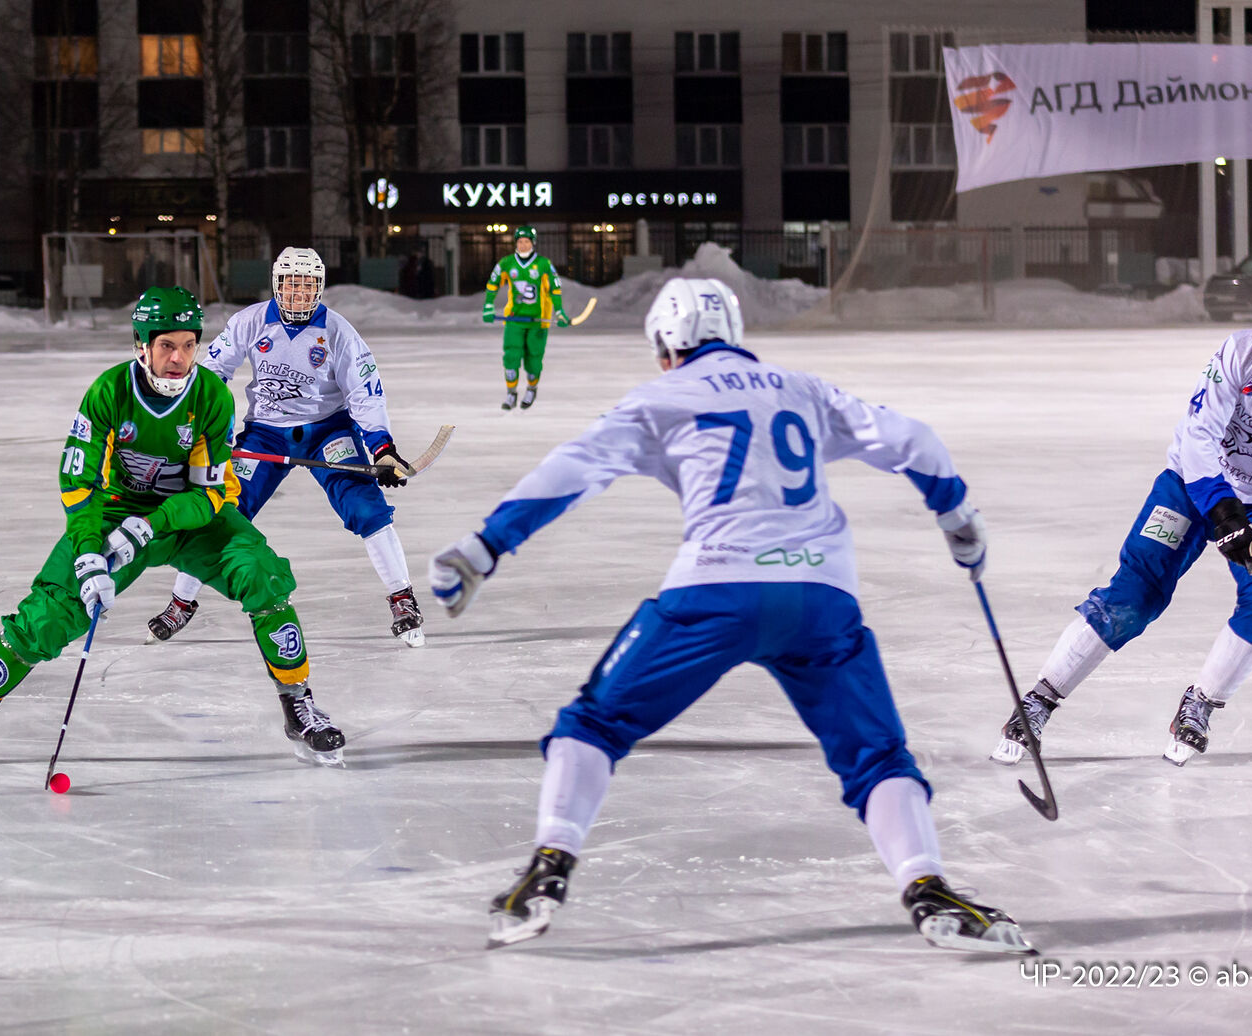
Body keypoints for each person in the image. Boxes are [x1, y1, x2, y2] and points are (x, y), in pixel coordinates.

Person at [431, 276, 1032, 954]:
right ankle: (928, 888)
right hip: (821, 595)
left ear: (667, 346)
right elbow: (913, 440)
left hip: (715, 588)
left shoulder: (659, 398)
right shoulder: (804, 390)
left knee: (593, 724)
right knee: (876, 756)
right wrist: (957, 518)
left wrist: (486, 547)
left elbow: (572, 470)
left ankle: (548, 869)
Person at [0, 286, 346, 768]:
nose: (179, 358)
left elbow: (209, 494)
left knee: (261, 572)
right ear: (141, 344)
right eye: (167, 345)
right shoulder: (109, 392)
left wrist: (151, 525)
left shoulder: (211, 396)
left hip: (185, 519)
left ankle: (298, 703)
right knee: (48, 615)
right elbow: (79, 483)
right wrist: (87, 553)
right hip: (115, 514)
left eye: (189, 345)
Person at [992, 269, 1252, 768]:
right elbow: (1198, 433)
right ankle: (1039, 700)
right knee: (1135, 594)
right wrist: (1222, 508)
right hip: (1194, 483)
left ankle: (1202, 702)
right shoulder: (1240, 351)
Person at [146, 247, 426, 648]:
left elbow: (365, 393)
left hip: (327, 431)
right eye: (291, 285)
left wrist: (381, 447)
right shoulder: (250, 320)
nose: (298, 294)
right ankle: (181, 603)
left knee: (366, 507)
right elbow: (213, 373)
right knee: (221, 509)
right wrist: (201, 425)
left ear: (319, 288)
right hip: (266, 433)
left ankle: (402, 597)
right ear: (277, 285)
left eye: (307, 286)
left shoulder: (338, 332)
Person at [482, 224, 568, 411]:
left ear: (533, 243)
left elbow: (554, 289)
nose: (523, 245)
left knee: (534, 359)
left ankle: (531, 389)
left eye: (527, 241)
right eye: (520, 241)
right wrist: (488, 305)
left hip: (538, 321)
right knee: (511, 356)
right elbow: (493, 283)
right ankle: (511, 393)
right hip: (515, 319)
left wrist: (559, 311)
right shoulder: (507, 263)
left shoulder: (544, 264)